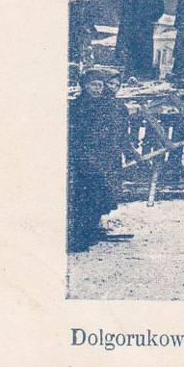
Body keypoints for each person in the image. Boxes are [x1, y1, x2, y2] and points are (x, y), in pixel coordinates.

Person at [67, 68, 128, 252]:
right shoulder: (77, 106)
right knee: (83, 196)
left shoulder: (102, 106)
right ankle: (79, 237)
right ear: (84, 86)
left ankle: (90, 231)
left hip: (100, 156)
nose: (97, 89)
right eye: (93, 85)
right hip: (83, 156)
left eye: (100, 85)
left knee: (96, 195)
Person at [116, 0, 165, 80]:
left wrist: (151, 18)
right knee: (131, 50)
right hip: (132, 25)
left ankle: (143, 77)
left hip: (146, 26)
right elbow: (124, 5)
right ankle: (130, 76)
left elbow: (160, 8)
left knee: (145, 51)